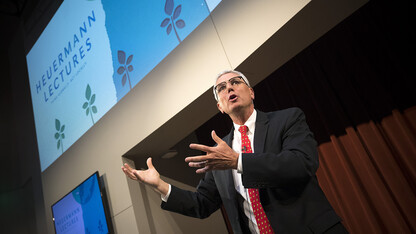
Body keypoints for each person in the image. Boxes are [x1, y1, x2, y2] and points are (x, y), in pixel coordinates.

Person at [122, 70, 347, 233]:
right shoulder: (220, 153)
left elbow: (301, 163)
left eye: (235, 82)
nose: (228, 88)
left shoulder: (287, 119)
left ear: (251, 92)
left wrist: (238, 161)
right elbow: (202, 203)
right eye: (221, 88)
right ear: (220, 106)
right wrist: (159, 185)